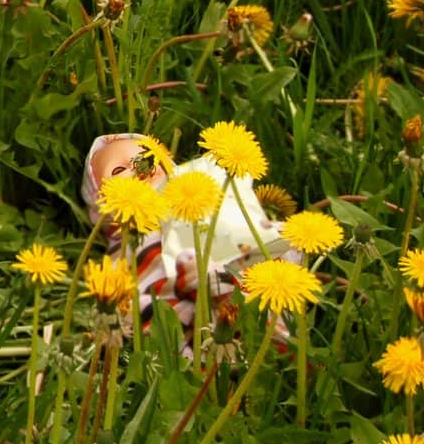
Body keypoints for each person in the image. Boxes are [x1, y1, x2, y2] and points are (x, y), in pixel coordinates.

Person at [82, 134, 292, 339]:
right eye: (118, 170)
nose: (138, 166)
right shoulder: (130, 242)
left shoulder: (213, 196)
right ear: (99, 206)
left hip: (257, 290)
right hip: (198, 322)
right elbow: (131, 297)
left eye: (147, 156)